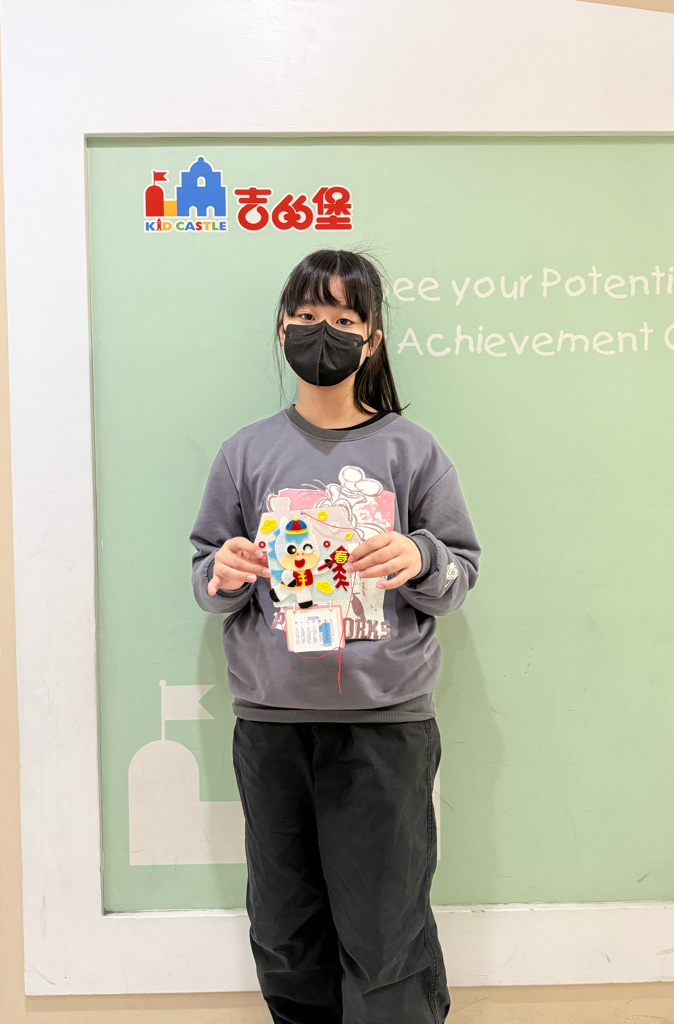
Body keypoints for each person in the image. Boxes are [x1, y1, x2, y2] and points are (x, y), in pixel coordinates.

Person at [189, 248, 481, 1024]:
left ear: (373, 338)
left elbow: (459, 576)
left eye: (345, 318)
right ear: (282, 328)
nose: (324, 330)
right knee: (285, 932)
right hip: (272, 727)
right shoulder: (245, 452)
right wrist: (225, 570)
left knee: (386, 934)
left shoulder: (411, 451)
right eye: (308, 314)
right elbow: (207, 576)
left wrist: (420, 556)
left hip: (385, 727)